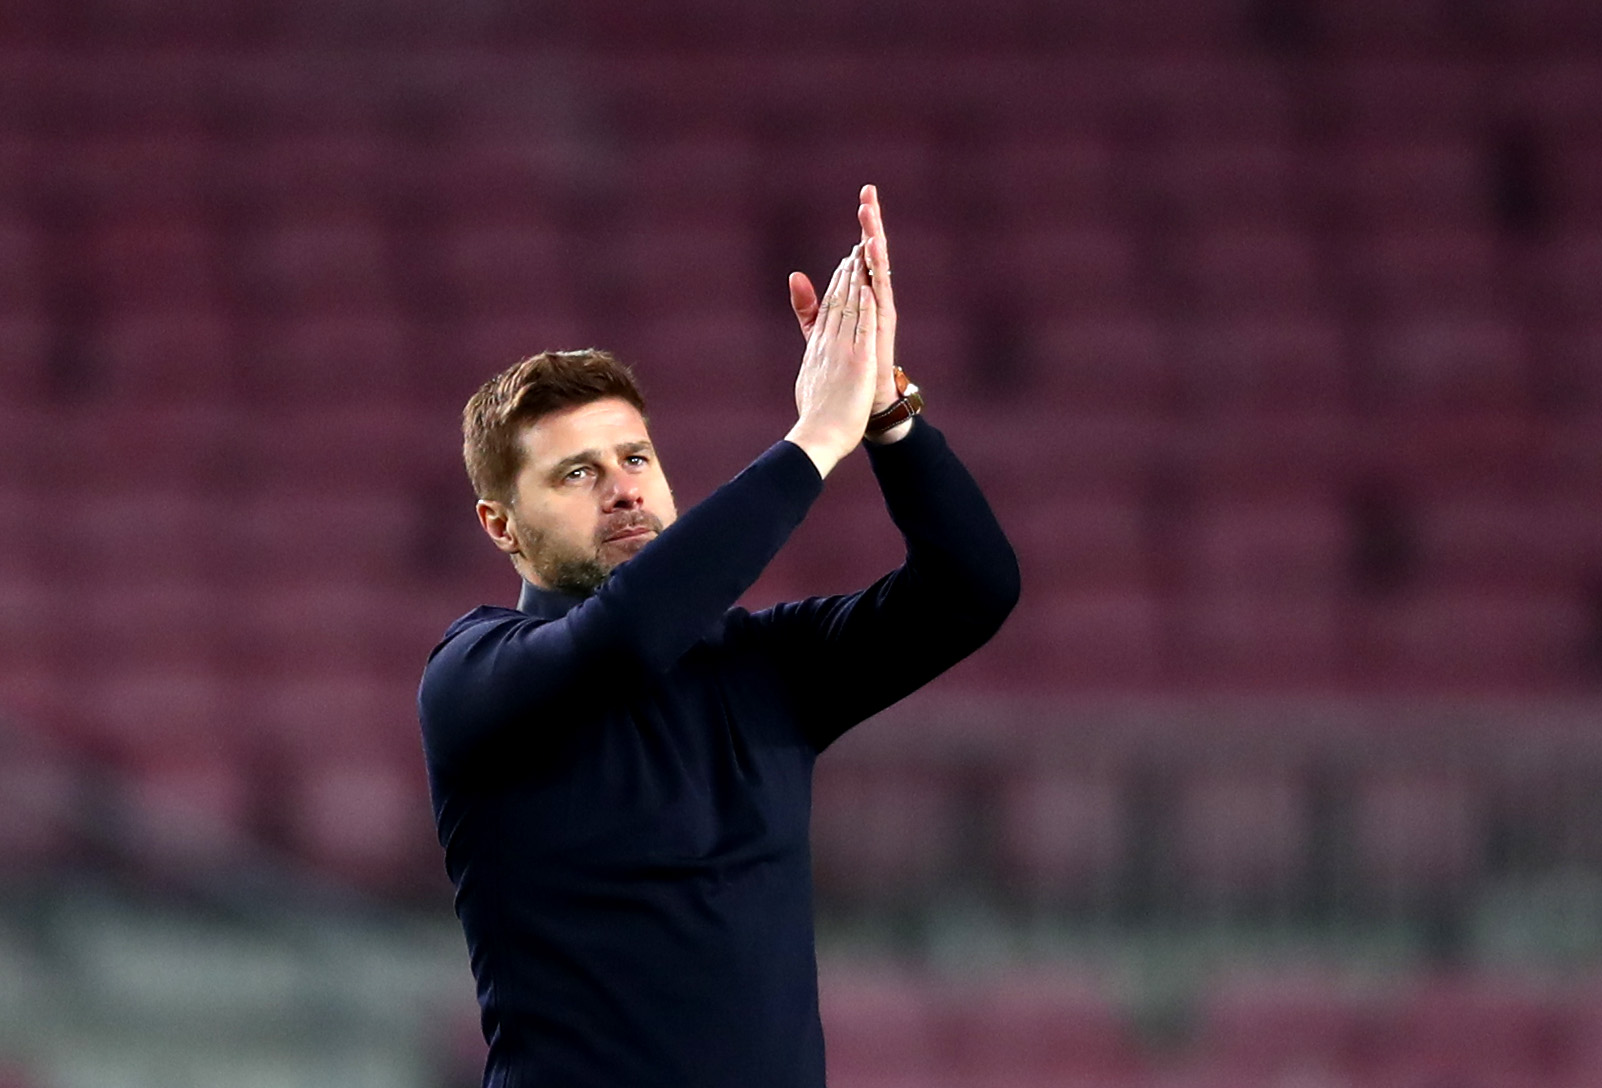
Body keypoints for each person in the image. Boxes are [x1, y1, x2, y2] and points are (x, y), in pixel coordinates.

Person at [418, 186, 1019, 1088]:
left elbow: (974, 590)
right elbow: (621, 641)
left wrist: (888, 418)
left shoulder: (763, 669)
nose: (623, 488)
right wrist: (818, 434)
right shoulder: (474, 679)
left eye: (636, 458)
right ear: (501, 526)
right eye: (576, 473)